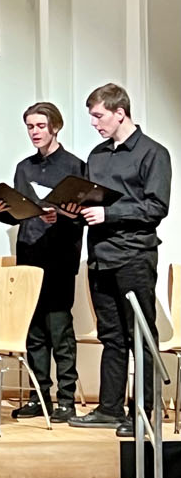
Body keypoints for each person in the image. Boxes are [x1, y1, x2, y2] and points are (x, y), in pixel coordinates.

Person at [67, 83, 171, 436]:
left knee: (139, 335)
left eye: (98, 116)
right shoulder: (97, 155)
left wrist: (108, 215)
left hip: (134, 255)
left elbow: (157, 207)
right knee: (111, 335)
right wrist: (68, 211)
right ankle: (110, 408)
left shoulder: (152, 153)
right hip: (100, 255)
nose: (94, 124)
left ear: (119, 112)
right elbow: (88, 202)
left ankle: (142, 410)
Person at [0, 102, 84, 423]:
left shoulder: (74, 165)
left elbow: (83, 215)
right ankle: (38, 395)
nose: (34, 132)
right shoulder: (24, 167)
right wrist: (0, 208)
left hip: (59, 256)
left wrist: (62, 215)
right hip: (29, 254)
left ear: (55, 126)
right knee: (34, 331)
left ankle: (66, 399)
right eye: (29, 126)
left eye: (40, 126)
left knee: (59, 328)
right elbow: (19, 213)